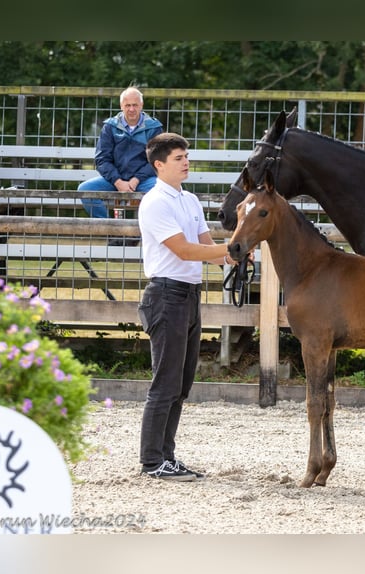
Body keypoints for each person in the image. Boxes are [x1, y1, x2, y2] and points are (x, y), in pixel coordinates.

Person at [137, 132, 236, 481]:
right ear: (159, 164)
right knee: (165, 383)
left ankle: (166, 455)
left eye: (186, 156)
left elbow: (206, 244)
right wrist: (228, 252)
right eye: (179, 158)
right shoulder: (154, 203)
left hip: (189, 295)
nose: (186, 162)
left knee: (181, 383)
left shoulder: (189, 200)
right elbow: (184, 250)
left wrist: (232, 254)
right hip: (166, 294)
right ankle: (152, 461)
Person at [80, 86, 163, 246]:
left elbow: (156, 160)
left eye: (135, 105)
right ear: (121, 106)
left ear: (141, 105)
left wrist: (136, 180)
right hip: (115, 179)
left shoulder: (154, 128)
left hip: (143, 180)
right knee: (85, 190)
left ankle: (138, 233)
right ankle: (112, 232)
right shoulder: (110, 127)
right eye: (127, 105)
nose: (131, 109)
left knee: (159, 192)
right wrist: (118, 181)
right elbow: (102, 159)